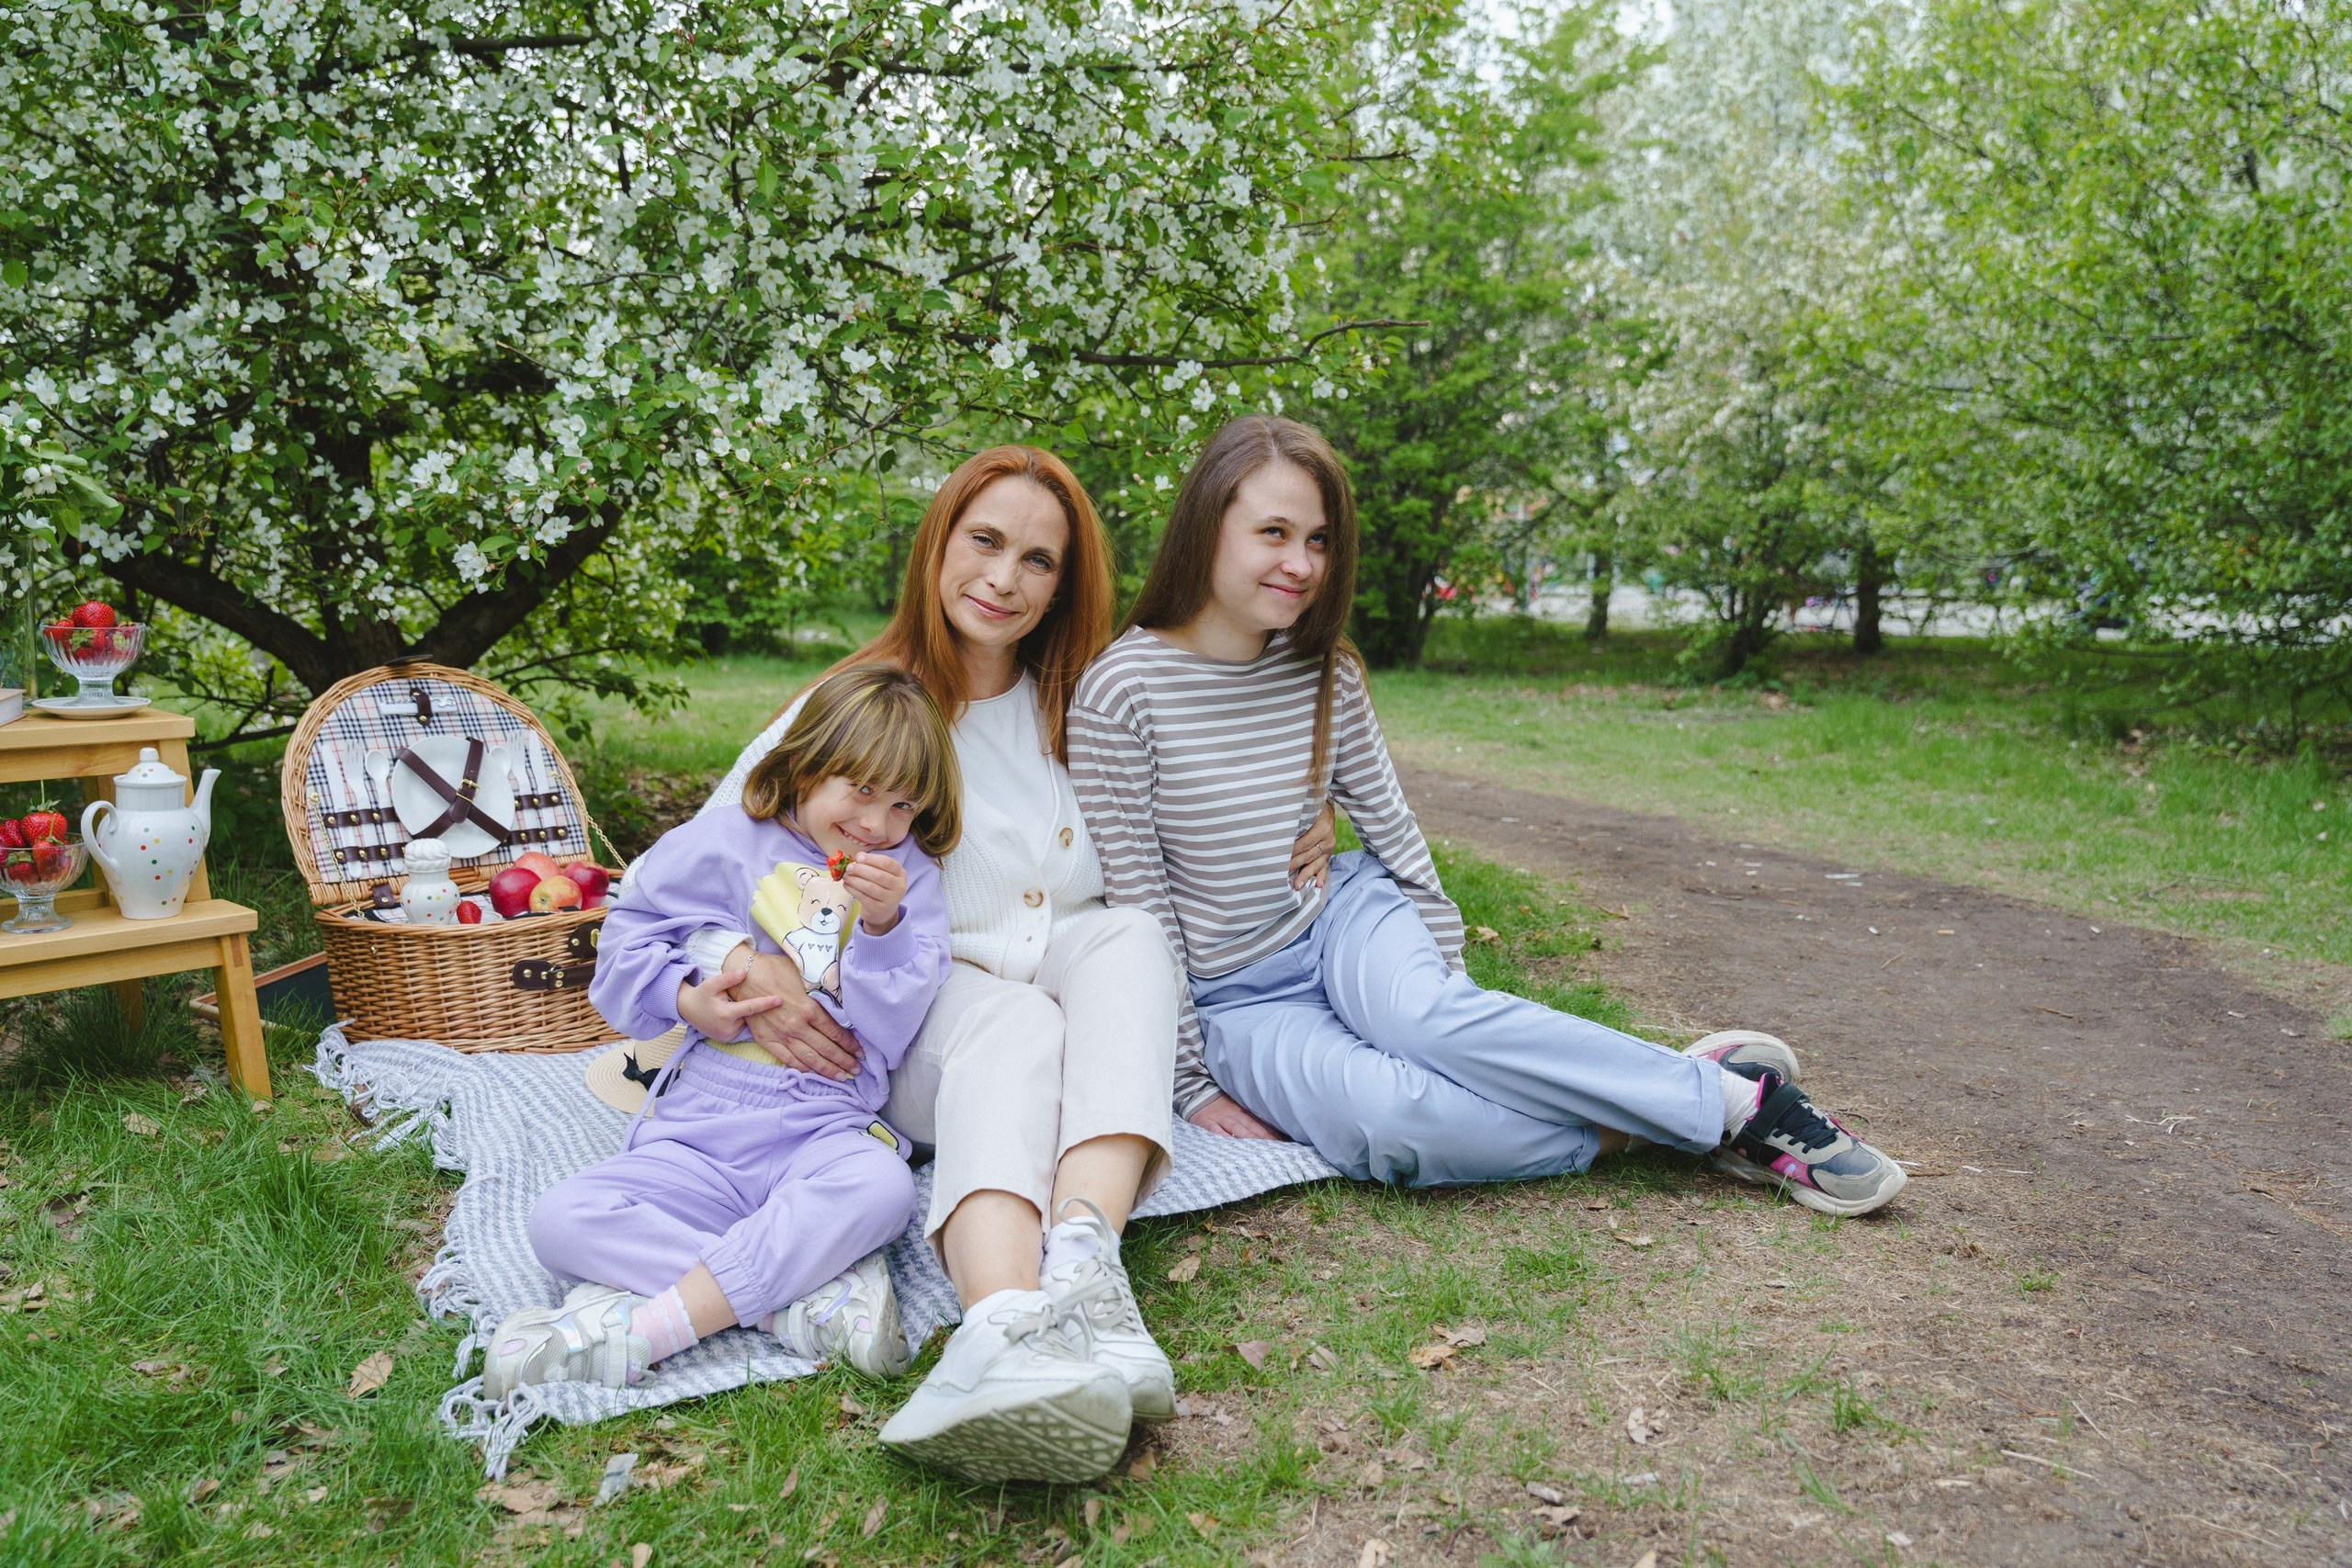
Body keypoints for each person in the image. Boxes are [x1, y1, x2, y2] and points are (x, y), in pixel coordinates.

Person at [684, 446, 1339, 1482]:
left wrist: (1315, 819)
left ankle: (1084, 1264)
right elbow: (695, 862)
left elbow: (1208, 805)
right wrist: (739, 972)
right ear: (937, 543)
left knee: (1124, 935)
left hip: (1071, 997)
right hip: (923, 1027)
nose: (1004, 578)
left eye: (1039, 560)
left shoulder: (1076, 701)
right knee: (1014, 1018)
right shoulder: (866, 705)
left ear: (1064, 584)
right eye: (984, 542)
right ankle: (1000, 1332)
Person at [1067, 414, 1907, 1216]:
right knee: (1395, 1123)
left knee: (1428, 1022)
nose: (1303, 563)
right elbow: (1141, 910)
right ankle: (1664, 1113)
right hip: (1236, 998)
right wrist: (1189, 1081)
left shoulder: (1325, 670)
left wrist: (1448, 979)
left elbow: (1389, 828)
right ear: (1207, 526)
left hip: (1341, 916)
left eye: (1319, 539)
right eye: (1273, 533)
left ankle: (1743, 1105)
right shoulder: (1120, 693)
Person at [479, 665, 958, 1399]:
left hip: (820, 1125)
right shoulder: (727, 841)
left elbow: (893, 1029)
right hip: (700, 1129)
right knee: (562, 1221)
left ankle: (654, 1326)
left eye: (902, 805)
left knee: (883, 1188)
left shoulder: (907, 879)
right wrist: (686, 999)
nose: (876, 824)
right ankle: (799, 1302)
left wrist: (889, 927)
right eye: (860, 789)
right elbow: (623, 943)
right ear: (805, 764)